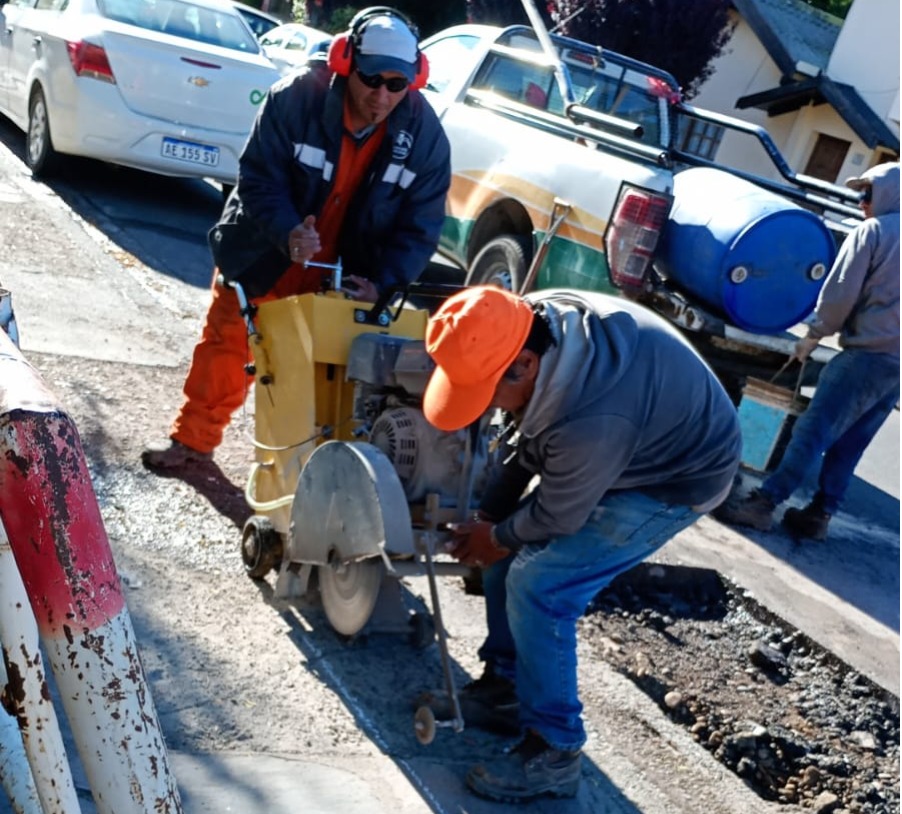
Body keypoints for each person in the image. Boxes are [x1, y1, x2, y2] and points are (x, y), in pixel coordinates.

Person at [418, 286, 742, 803]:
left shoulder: (590, 419)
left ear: (523, 366)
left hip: (677, 477)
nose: (483, 406)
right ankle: (506, 691)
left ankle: (554, 752)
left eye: (485, 390)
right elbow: (519, 445)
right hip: (633, 433)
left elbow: (558, 514)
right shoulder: (526, 324)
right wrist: (489, 519)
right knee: (507, 557)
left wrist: (497, 535)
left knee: (541, 583)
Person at [142, 7, 451, 468]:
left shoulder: (425, 138)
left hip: (342, 275)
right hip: (263, 248)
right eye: (372, 80)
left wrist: (383, 283)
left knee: (317, 378)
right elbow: (257, 177)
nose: (382, 95)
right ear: (346, 64)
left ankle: (295, 473)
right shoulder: (294, 97)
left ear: (414, 80)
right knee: (227, 345)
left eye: (396, 84)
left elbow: (421, 227)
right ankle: (192, 443)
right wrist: (288, 231)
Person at [713, 162, 900, 541]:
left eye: (867, 193)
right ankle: (819, 515)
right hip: (895, 368)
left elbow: (840, 292)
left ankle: (763, 503)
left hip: (864, 356)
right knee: (850, 444)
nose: (861, 201)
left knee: (812, 431)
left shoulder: (874, 232)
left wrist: (813, 335)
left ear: (888, 194)